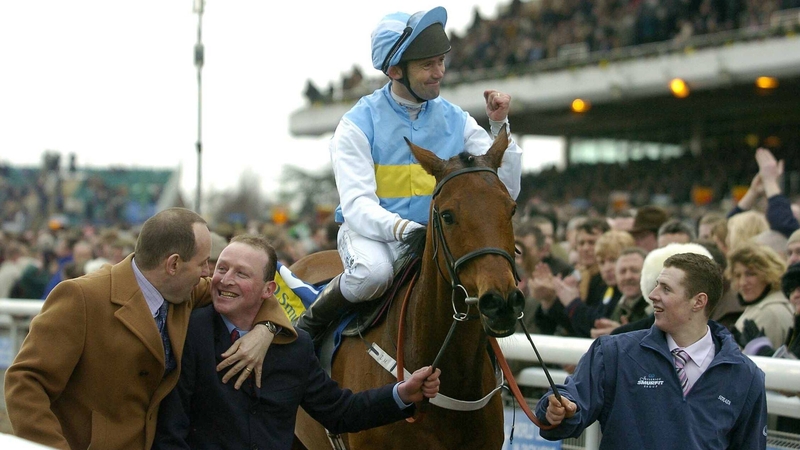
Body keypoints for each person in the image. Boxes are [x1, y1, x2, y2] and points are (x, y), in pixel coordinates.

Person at [297, 6, 522, 341]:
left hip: (439, 238)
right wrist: (405, 230)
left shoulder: (456, 119)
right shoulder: (356, 125)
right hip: (374, 237)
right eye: (427, 65)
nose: (439, 72)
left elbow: (505, 188)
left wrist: (499, 124)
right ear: (394, 70)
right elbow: (358, 206)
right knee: (373, 275)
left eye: (441, 61)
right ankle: (307, 331)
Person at [4, 208, 295, 450]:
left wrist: (266, 329)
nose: (209, 273)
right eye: (203, 263)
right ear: (173, 264)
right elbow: (25, 383)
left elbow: (255, 295)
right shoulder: (81, 297)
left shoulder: (185, 290)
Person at [154, 234, 441, 449]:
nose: (225, 280)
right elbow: (171, 431)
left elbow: (341, 412)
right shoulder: (189, 333)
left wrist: (403, 393)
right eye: (222, 269)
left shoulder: (295, 346)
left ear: (268, 290)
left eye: (241, 273)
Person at [536, 253, 767, 449]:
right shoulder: (613, 352)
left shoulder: (745, 377)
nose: (653, 295)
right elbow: (569, 401)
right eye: (657, 285)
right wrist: (556, 409)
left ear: (698, 302)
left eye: (666, 289)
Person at [727, 242, 793, 349]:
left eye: (750, 274)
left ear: (769, 274)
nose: (743, 282)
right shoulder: (775, 304)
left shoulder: (767, 313)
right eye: (738, 275)